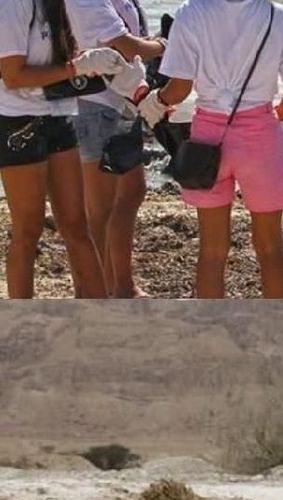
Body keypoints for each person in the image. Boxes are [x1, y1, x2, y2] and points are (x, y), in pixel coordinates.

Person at [138, 0, 283, 299]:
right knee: (271, 248)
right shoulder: (278, 16)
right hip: (260, 134)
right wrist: (279, 115)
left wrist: (154, 102)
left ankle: (213, 334)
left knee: (212, 250)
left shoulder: (190, 13)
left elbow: (180, 89)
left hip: (209, 135)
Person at [0, 0, 128, 299]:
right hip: (17, 118)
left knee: (75, 224)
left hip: (57, 111)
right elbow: (14, 76)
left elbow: (59, 61)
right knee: (28, 228)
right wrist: (76, 67)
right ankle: (22, 323)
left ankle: (96, 320)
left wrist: (100, 65)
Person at [65, 0, 166, 298]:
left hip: (121, 100)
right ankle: (91, 294)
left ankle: (121, 286)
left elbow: (128, 42)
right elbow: (123, 45)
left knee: (131, 191)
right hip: (92, 104)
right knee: (99, 209)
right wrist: (162, 45)